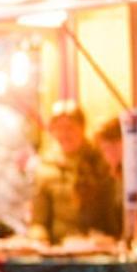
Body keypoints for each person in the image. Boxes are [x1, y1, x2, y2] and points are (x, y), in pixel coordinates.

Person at [29, 101, 121, 243]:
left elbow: (112, 211)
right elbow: (39, 220)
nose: (64, 134)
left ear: (82, 128)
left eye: (70, 127)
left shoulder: (101, 161)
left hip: (98, 247)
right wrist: (39, 238)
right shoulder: (46, 168)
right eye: (58, 128)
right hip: (60, 249)